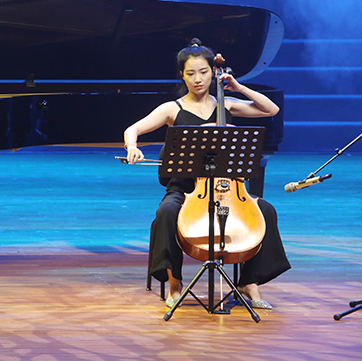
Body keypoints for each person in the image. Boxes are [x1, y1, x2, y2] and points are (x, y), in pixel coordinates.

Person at [123, 38, 290, 310]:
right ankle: (175, 283)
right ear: (182, 75)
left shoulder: (227, 104)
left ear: (213, 72)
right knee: (166, 213)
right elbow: (133, 129)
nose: (198, 79)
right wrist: (132, 146)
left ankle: (249, 281)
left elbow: (271, 109)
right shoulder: (172, 109)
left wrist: (238, 87)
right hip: (185, 189)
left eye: (203, 72)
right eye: (191, 73)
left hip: (227, 188)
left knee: (266, 211)